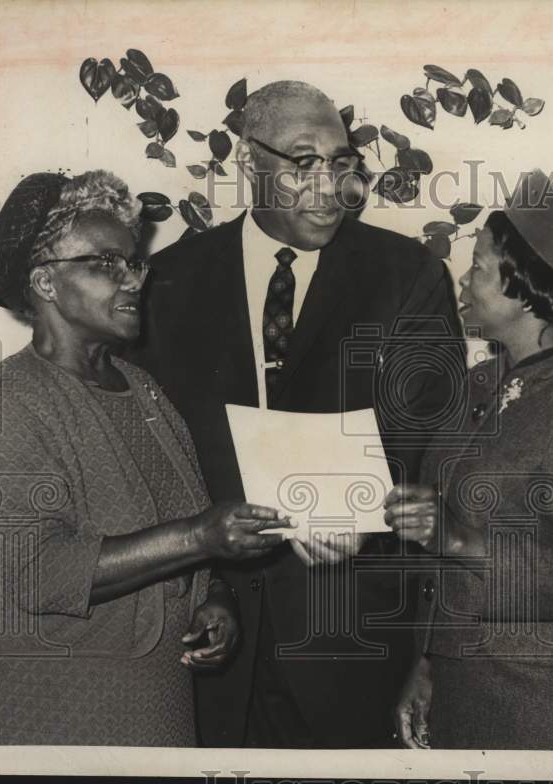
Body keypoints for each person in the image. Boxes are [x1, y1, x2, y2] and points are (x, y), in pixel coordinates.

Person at [130, 81, 464, 748]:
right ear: (248, 161)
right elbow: (149, 448)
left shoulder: (407, 274)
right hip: (210, 631)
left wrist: (360, 510)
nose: (329, 187)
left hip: (351, 633)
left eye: (340, 163)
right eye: (303, 161)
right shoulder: (168, 280)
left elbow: (435, 440)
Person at [0, 170, 292, 746]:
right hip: (48, 699)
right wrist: (199, 538)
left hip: (154, 691)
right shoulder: (12, 399)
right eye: (106, 263)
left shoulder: (143, 390)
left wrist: (215, 596)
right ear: (45, 281)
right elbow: (30, 571)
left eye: (133, 262)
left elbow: (183, 523)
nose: (134, 278)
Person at [385, 170, 553, 750]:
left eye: (478, 267)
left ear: (526, 288)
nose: (464, 279)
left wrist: (460, 540)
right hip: (466, 683)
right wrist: (428, 662)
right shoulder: (483, 380)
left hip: (546, 702)